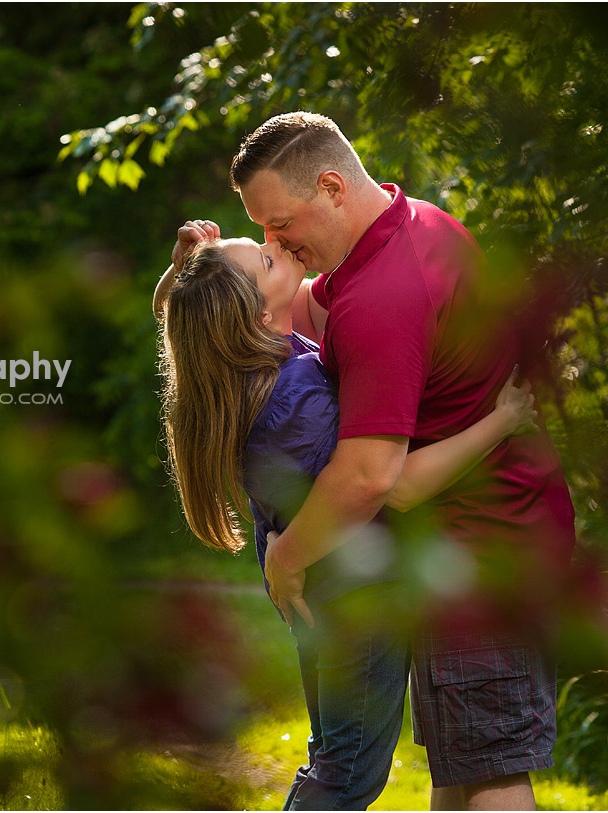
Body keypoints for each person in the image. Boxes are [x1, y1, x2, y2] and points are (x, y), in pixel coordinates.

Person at [227, 112, 577, 810]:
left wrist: (288, 555)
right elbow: (287, 309)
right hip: (480, 541)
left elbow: (373, 479)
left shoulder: (383, 296)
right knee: (463, 770)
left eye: (280, 222)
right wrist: (210, 273)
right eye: (263, 230)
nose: (277, 240)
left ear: (329, 186)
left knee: (495, 775)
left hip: (484, 547)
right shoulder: (407, 226)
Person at [154, 231, 541, 809]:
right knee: (348, 768)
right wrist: (503, 420)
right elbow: (397, 483)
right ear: (254, 312)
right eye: (266, 259)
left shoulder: (253, 367)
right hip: (355, 599)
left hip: (331, 591)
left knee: (339, 754)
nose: (276, 246)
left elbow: (175, 313)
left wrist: (183, 268)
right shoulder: (295, 403)